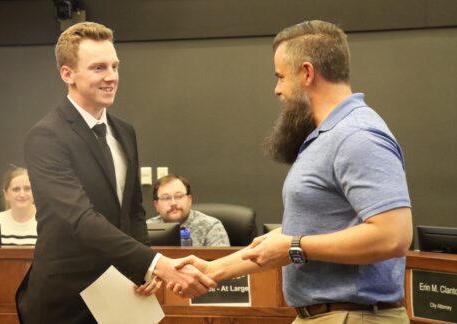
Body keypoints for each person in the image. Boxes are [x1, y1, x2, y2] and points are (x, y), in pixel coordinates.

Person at [174, 20, 413, 323]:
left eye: (280, 77)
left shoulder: (357, 135)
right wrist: (213, 270)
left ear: (307, 73)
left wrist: (294, 247)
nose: (277, 90)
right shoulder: (325, 135)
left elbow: (394, 236)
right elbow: (288, 243)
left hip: (354, 316)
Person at [16, 22, 215, 324]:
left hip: (122, 295)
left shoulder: (124, 132)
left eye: (114, 66)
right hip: (66, 301)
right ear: (67, 74)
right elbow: (80, 219)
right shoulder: (46, 136)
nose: (111, 77)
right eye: (98, 68)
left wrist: (143, 268)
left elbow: (133, 209)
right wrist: (157, 264)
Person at [147, 175, 230, 247]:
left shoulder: (211, 227)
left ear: (189, 200)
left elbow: (222, 263)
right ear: (156, 205)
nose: (173, 203)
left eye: (178, 196)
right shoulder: (146, 229)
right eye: (166, 198)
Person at [0, 167, 37, 246]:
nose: (22, 194)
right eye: (16, 189)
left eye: (27, 189)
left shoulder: (46, 221)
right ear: (6, 194)